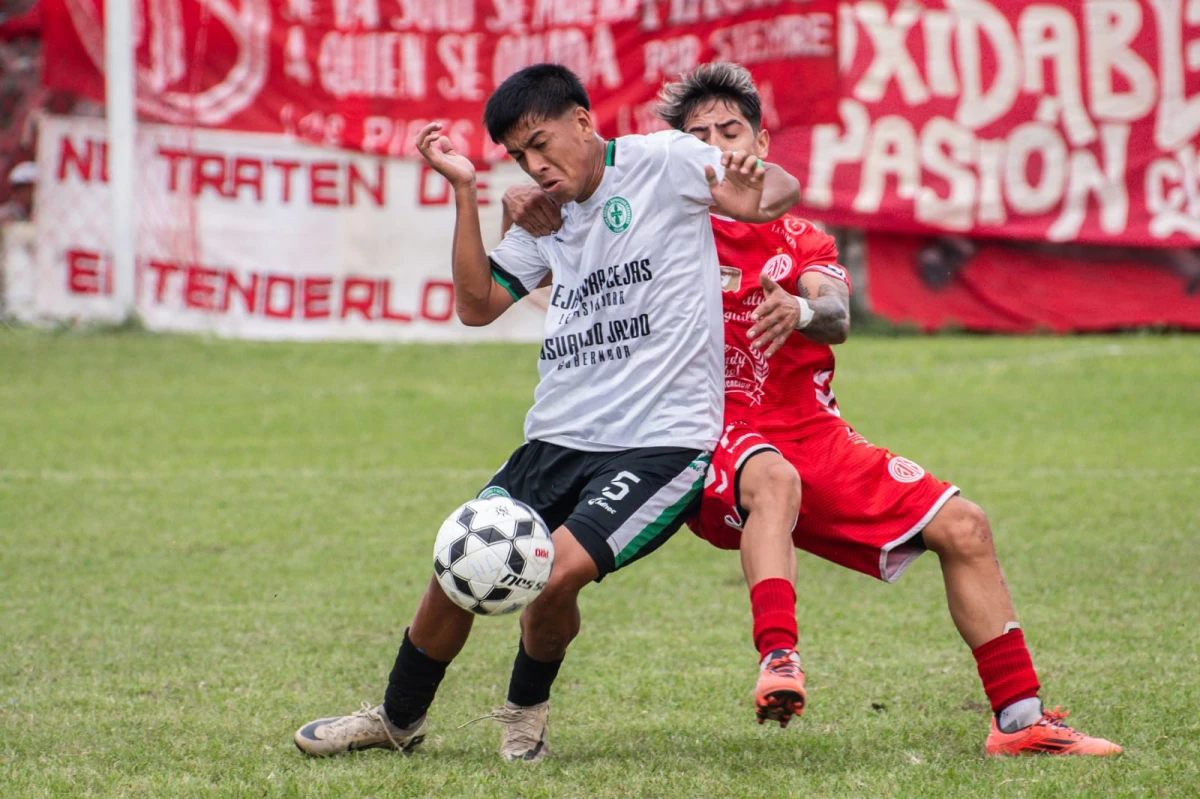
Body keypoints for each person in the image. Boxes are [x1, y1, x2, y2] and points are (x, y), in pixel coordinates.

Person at [501, 63, 1121, 757]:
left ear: (761, 143)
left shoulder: (800, 238)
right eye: (699, 137)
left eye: (730, 132)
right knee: (766, 480)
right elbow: (557, 253)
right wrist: (518, 201)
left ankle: (1020, 721)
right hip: (704, 434)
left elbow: (837, 314)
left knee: (965, 526)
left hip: (812, 432)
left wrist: (800, 309)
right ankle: (778, 657)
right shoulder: (661, 226)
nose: (718, 147)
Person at [293, 63, 801, 761]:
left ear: (583, 122)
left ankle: (524, 713)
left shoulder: (663, 161)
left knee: (554, 573)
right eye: (518, 155)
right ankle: (397, 719)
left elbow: (771, 196)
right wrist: (465, 189)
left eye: (541, 143)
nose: (535, 164)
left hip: (659, 444)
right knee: (457, 564)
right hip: (555, 437)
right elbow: (477, 306)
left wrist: (755, 182)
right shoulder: (545, 213)